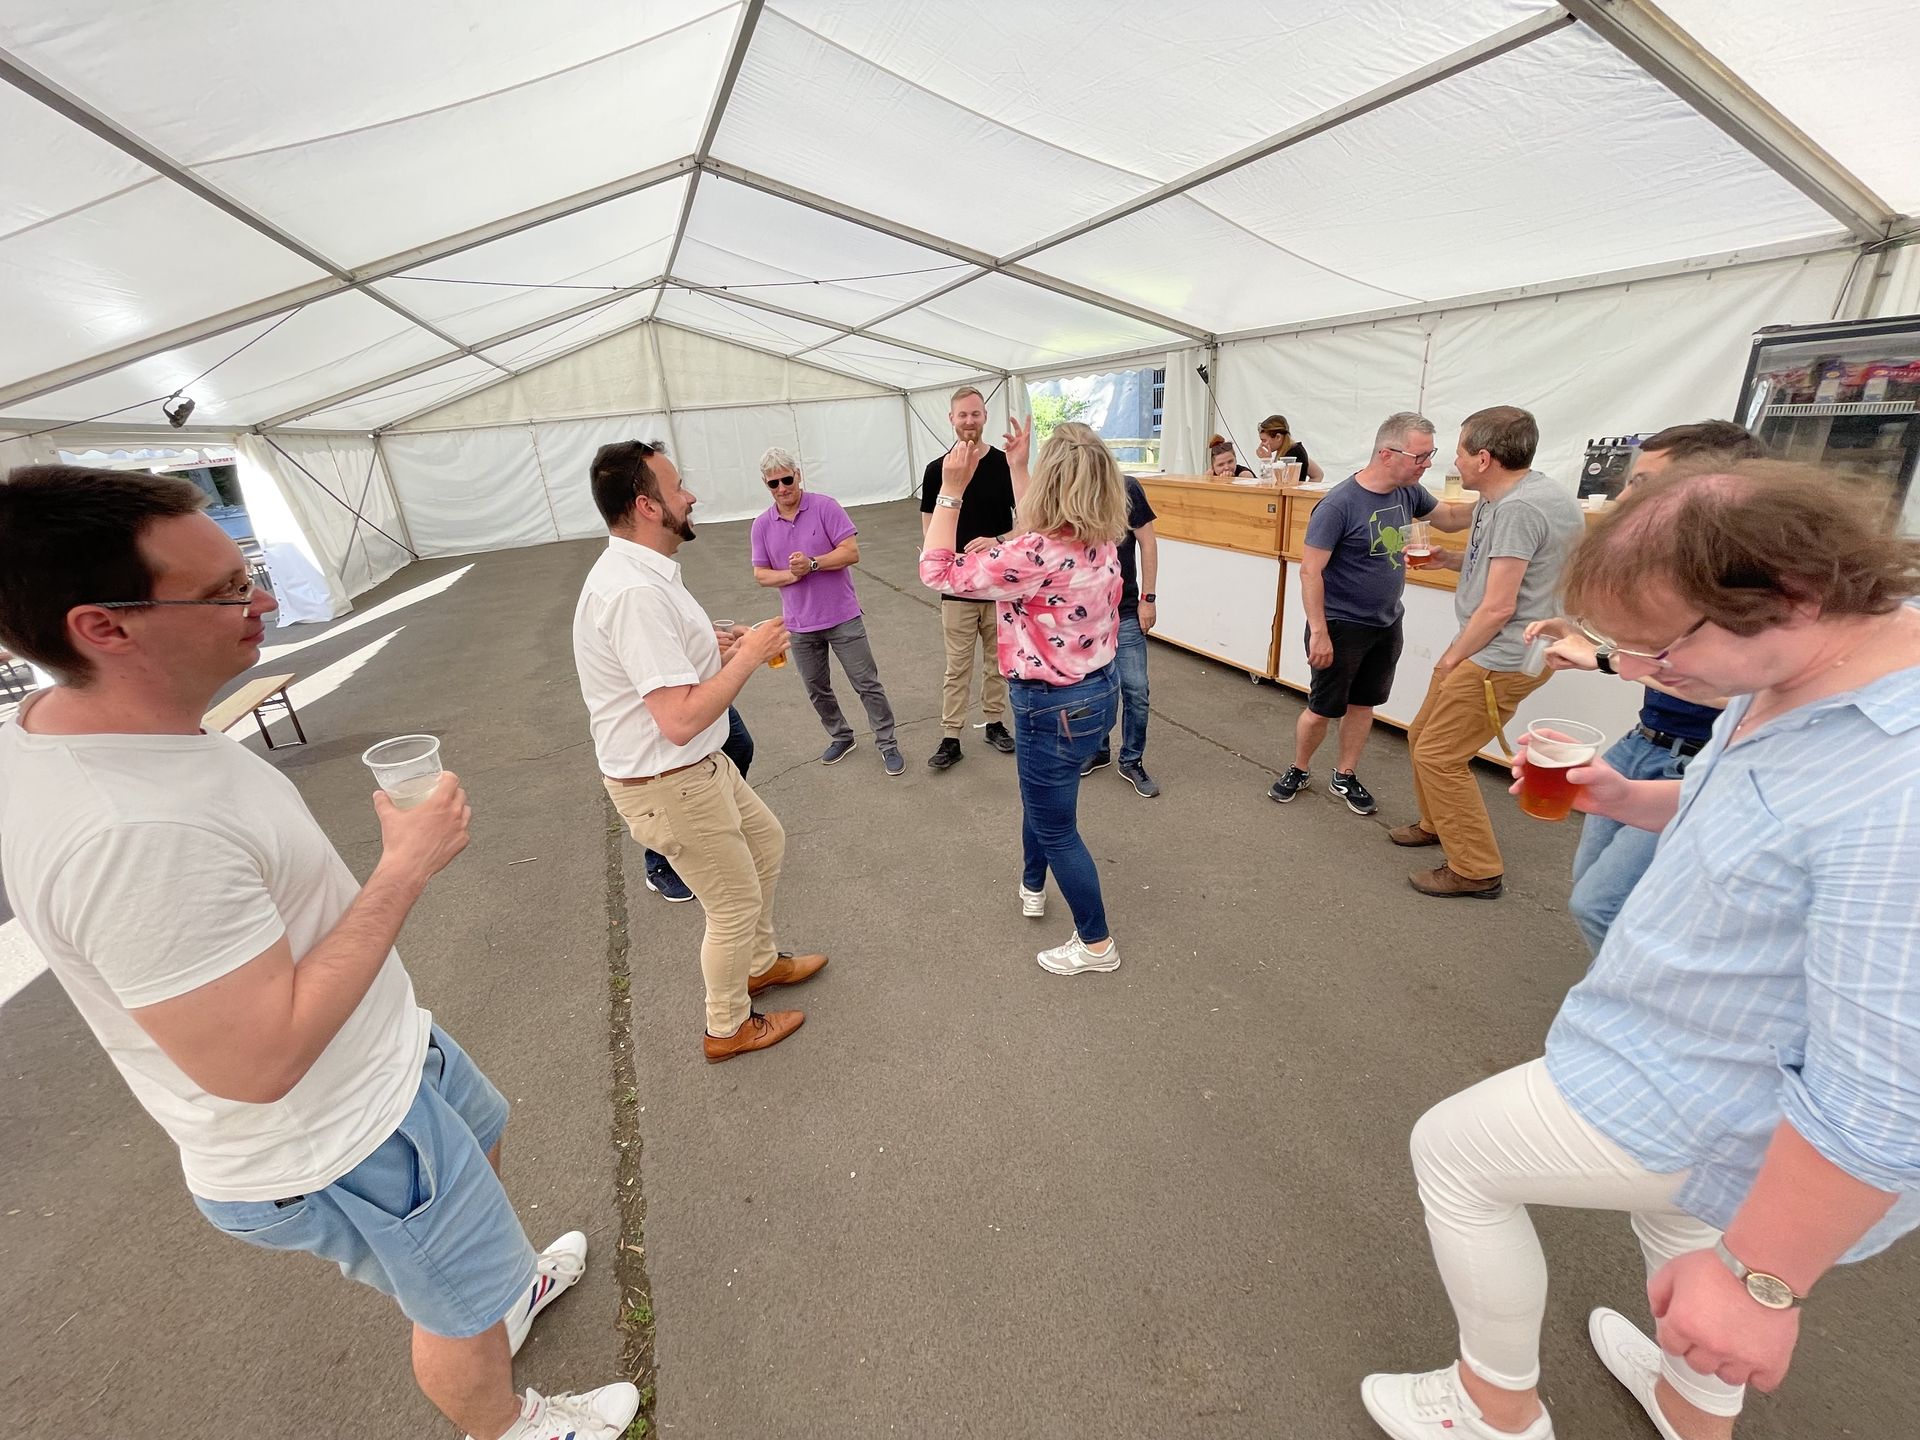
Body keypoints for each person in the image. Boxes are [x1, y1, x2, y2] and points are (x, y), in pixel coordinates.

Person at [0, 466, 633, 1440]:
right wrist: (403, 870)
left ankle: (502, 1292)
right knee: (452, 1307)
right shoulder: (130, 833)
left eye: (247, 572)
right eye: (224, 592)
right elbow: (257, 1062)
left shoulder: (90, 736)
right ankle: (508, 1419)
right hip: (338, 1136)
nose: (263, 601)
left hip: (383, 1061)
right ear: (104, 627)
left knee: (481, 1162)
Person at [1362, 461, 1920, 1440]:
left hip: (1708, 1093)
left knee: (1453, 1154)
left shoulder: (1897, 783)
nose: (1645, 669)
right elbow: (1736, 806)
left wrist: (1761, 1284)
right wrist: (1630, 796)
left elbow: (1888, 1090)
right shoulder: (1797, 670)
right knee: (1679, 1220)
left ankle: (1494, 1406)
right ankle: (1687, 1407)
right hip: (1690, 1052)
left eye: (1661, 647)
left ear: (1790, 593)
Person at [573, 440, 827, 1064]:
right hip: (671, 779)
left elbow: (662, 665)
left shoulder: (647, 573)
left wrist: (716, 643)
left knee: (766, 844)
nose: (690, 497)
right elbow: (680, 719)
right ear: (647, 506)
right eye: (677, 487)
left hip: (697, 770)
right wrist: (747, 655)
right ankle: (727, 1026)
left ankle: (758, 965)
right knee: (733, 903)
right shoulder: (633, 592)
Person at [1523, 421, 1762, 951]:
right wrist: (1594, 641)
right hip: (1644, 741)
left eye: (1642, 483)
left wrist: (1605, 658)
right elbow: (1658, 656)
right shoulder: (1679, 570)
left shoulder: (1750, 583)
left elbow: (1744, 689)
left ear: (1710, 488)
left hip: (1701, 758)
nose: (1623, 499)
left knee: (1601, 906)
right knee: (1592, 892)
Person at [920, 419, 1127, 976]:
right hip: (1097, 693)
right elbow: (1037, 526)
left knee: (1056, 826)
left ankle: (1096, 945)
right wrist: (1016, 466)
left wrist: (950, 491)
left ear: (1052, 482)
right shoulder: (1100, 539)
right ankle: (1034, 883)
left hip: (1049, 707)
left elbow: (936, 571)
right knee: (1044, 801)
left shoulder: (1033, 554)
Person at [1389, 406, 1585, 899]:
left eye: (1458, 451)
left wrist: (1452, 656)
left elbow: (1499, 607)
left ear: (1484, 458)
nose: (1453, 461)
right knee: (1422, 736)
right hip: (1493, 645)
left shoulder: (1520, 509)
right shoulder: (1510, 496)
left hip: (1502, 654)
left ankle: (1475, 868)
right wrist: (1451, 559)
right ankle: (1439, 823)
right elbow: (1510, 567)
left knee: (1439, 755)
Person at [1269, 412, 1472, 815]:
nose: (1426, 464)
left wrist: (1498, 496)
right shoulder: (1339, 504)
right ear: (1386, 454)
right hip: (1341, 626)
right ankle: (1299, 768)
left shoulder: (1408, 491)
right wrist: (1319, 632)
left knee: (1364, 705)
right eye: (1420, 456)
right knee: (1322, 709)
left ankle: (1345, 774)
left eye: (1430, 454)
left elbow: (1449, 519)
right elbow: (1310, 571)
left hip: (1386, 622)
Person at [750, 447, 903, 776]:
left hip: (842, 616)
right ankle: (841, 736)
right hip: (799, 624)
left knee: (866, 683)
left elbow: (851, 552)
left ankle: (887, 742)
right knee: (816, 688)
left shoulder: (825, 507)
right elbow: (761, 574)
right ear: (766, 484)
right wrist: (791, 575)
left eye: (787, 480)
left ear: (798, 475)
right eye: (774, 483)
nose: (782, 488)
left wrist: (813, 564)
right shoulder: (762, 525)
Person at [920, 386, 1017, 769]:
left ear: (985, 416)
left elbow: (1029, 524)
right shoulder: (937, 471)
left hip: (999, 586)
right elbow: (929, 531)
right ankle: (951, 736)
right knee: (957, 666)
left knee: (998, 661)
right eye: (962, 415)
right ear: (951, 419)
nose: (969, 421)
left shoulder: (1005, 465)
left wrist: (997, 541)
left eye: (975, 414)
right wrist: (950, 558)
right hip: (957, 588)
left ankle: (995, 723)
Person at [1082, 470, 1162, 796]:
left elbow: (1148, 542)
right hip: (1087, 616)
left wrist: (1149, 599)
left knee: (1136, 690)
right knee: (1095, 689)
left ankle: (1131, 760)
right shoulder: (1068, 490)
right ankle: (1098, 749)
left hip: (1126, 610)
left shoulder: (1126, 487)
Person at [641, 705, 754, 902]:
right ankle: (658, 864)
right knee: (673, 777)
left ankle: (721, 830)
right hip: (661, 708)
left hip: (699, 692)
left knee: (738, 747)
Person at [1255, 414, 1324, 482]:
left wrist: (1267, 461)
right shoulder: (1292, 450)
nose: (1262, 444)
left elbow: (1278, 483)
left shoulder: (1294, 453)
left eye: (1264, 440)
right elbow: (1318, 474)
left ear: (1278, 437)